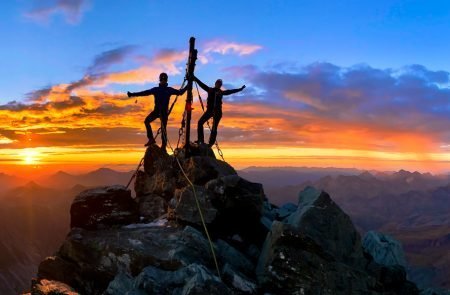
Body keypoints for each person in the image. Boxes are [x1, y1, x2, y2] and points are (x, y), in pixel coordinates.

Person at [127, 72, 187, 150]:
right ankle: (152, 139)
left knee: (163, 129)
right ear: (161, 80)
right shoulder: (162, 90)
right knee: (148, 122)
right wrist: (132, 94)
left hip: (163, 113)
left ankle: (163, 146)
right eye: (162, 79)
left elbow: (180, 92)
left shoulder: (165, 90)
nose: (163, 81)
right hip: (158, 111)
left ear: (165, 80)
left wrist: (188, 85)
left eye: (164, 79)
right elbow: (144, 93)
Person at [194, 76, 245, 146]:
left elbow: (230, 91)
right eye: (218, 83)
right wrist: (195, 78)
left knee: (214, 127)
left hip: (218, 112)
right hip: (210, 111)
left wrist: (240, 89)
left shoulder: (221, 92)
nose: (218, 85)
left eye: (220, 84)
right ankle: (201, 140)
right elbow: (202, 84)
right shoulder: (210, 90)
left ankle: (210, 144)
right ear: (215, 84)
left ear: (220, 85)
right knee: (200, 122)